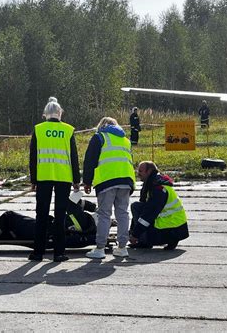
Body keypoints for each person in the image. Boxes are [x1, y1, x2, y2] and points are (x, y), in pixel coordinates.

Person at [29, 97, 81, 262]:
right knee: (60, 216)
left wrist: (33, 179)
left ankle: (38, 252)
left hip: (43, 177)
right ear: (60, 113)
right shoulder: (68, 130)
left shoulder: (38, 129)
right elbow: (74, 156)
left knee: (41, 215)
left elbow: (33, 157)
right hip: (63, 177)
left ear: (45, 114)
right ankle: (59, 253)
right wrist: (76, 179)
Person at [83, 116, 136, 259]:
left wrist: (87, 181)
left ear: (101, 125)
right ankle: (122, 247)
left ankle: (100, 248)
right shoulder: (125, 140)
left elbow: (90, 160)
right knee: (123, 213)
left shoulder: (99, 137)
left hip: (107, 181)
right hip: (126, 181)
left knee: (104, 214)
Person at [0, 192, 99, 248]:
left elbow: (72, 199)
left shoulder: (82, 218)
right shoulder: (90, 232)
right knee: (11, 227)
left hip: (43, 231)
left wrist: (93, 207)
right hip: (49, 236)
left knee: (9, 217)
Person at [129, 161, 189, 250]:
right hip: (172, 225)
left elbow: (148, 214)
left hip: (173, 227)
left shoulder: (158, 189)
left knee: (139, 209)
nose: (138, 174)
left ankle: (146, 241)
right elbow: (143, 211)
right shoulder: (151, 184)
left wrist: (135, 235)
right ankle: (144, 240)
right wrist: (132, 231)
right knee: (137, 206)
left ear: (149, 171)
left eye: (141, 171)